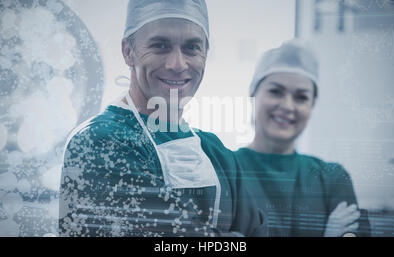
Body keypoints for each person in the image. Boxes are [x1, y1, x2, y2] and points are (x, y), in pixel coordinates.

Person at [59, 0, 266, 237]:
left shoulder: (217, 154)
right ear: (128, 52)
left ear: (205, 53)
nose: (177, 64)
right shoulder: (96, 142)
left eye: (191, 48)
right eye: (160, 46)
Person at [234, 40, 371, 237]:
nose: (288, 106)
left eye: (301, 97)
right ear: (253, 93)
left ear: (312, 106)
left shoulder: (332, 178)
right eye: (275, 92)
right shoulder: (225, 169)